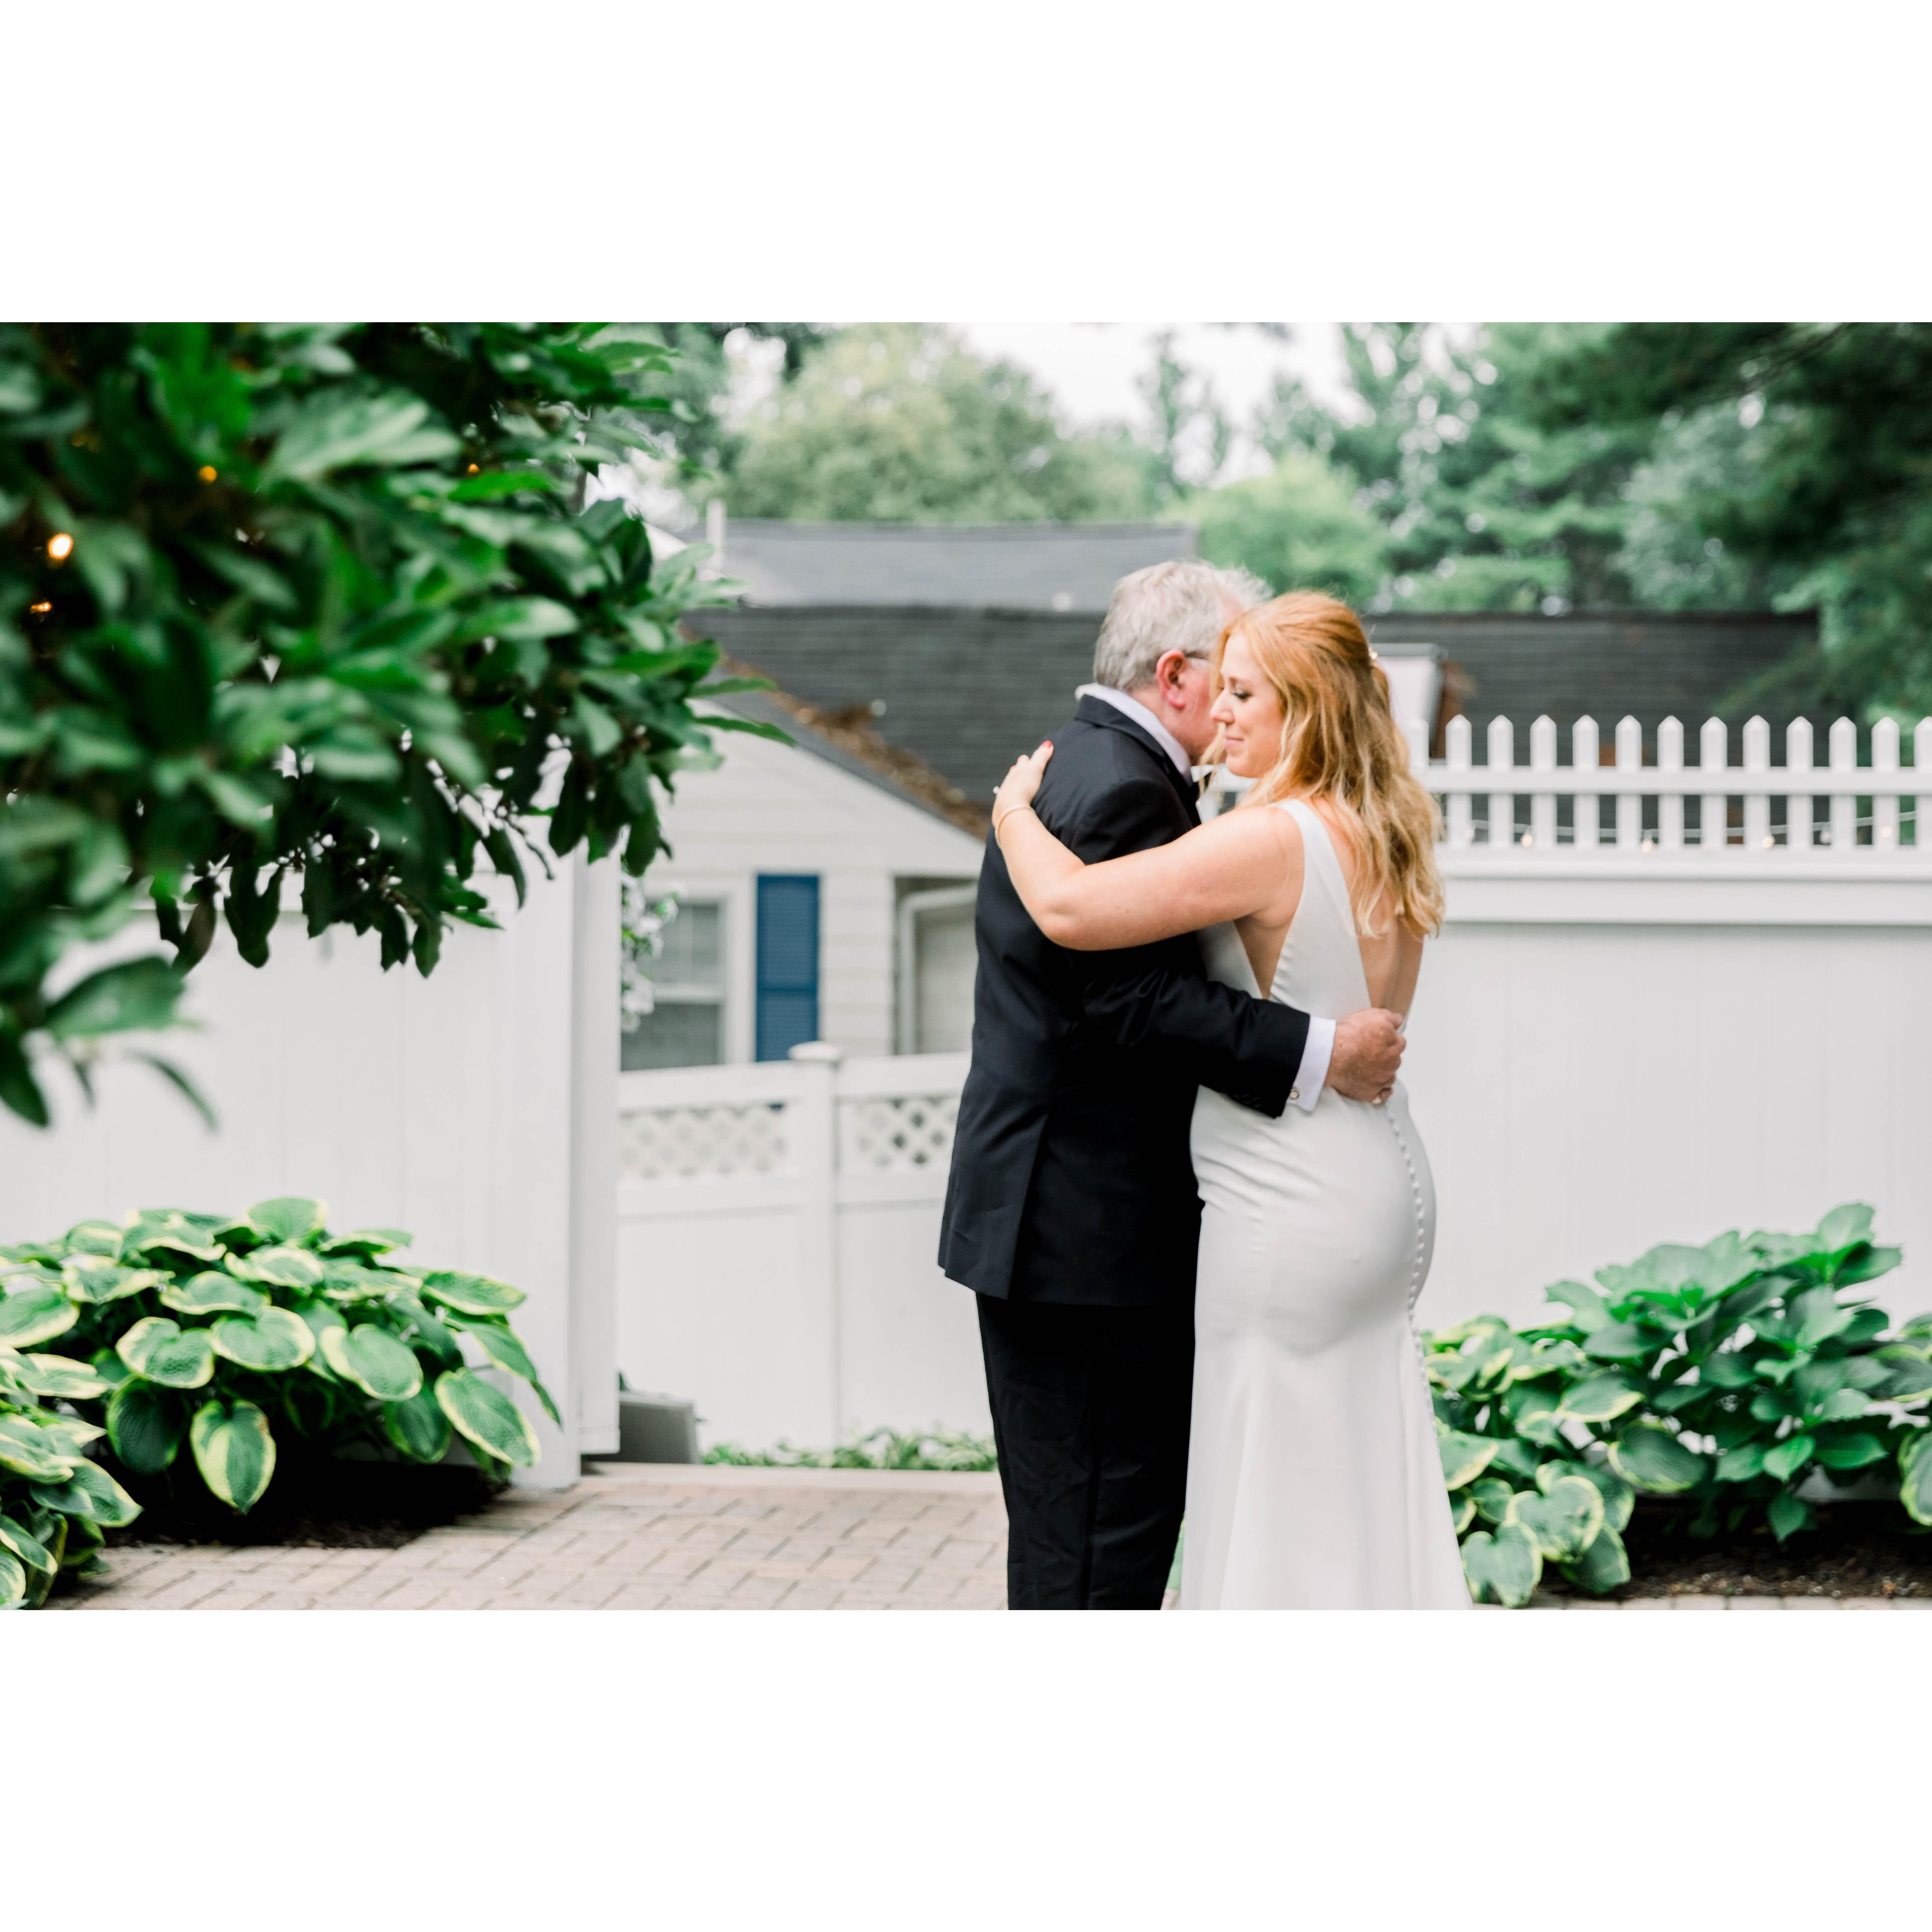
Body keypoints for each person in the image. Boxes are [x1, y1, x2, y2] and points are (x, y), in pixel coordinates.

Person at [938, 562, 1409, 1611]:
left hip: (1072, 1227)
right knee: (1100, 1543)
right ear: (1177, 673)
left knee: (1091, 1533)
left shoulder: (1093, 770)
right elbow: (1127, 1000)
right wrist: (1320, 1049)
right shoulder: (1119, 785)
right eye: (1231, 678)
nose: (1237, 700)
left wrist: (1011, 812)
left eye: (1260, 685)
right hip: (1089, 1238)